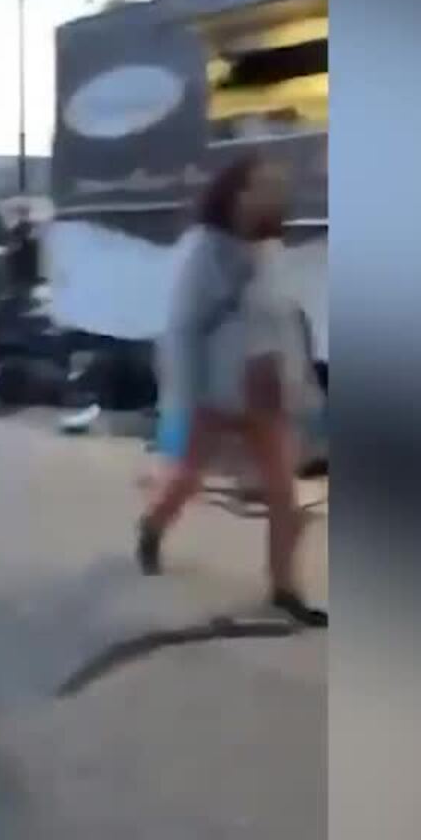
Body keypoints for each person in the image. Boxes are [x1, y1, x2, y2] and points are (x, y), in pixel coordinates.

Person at [137, 156, 328, 627]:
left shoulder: (271, 250)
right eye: (259, 186)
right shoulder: (206, 251)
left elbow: (282, 320)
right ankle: (153, 525)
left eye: (275, 187)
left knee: (284, 493)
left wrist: (298, 383)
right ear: (234, 193)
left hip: (268, 392)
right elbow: (184, 330)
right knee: (189, 476)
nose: (269, 195)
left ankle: (285, 588)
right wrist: (187, 396)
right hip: (218, 391)